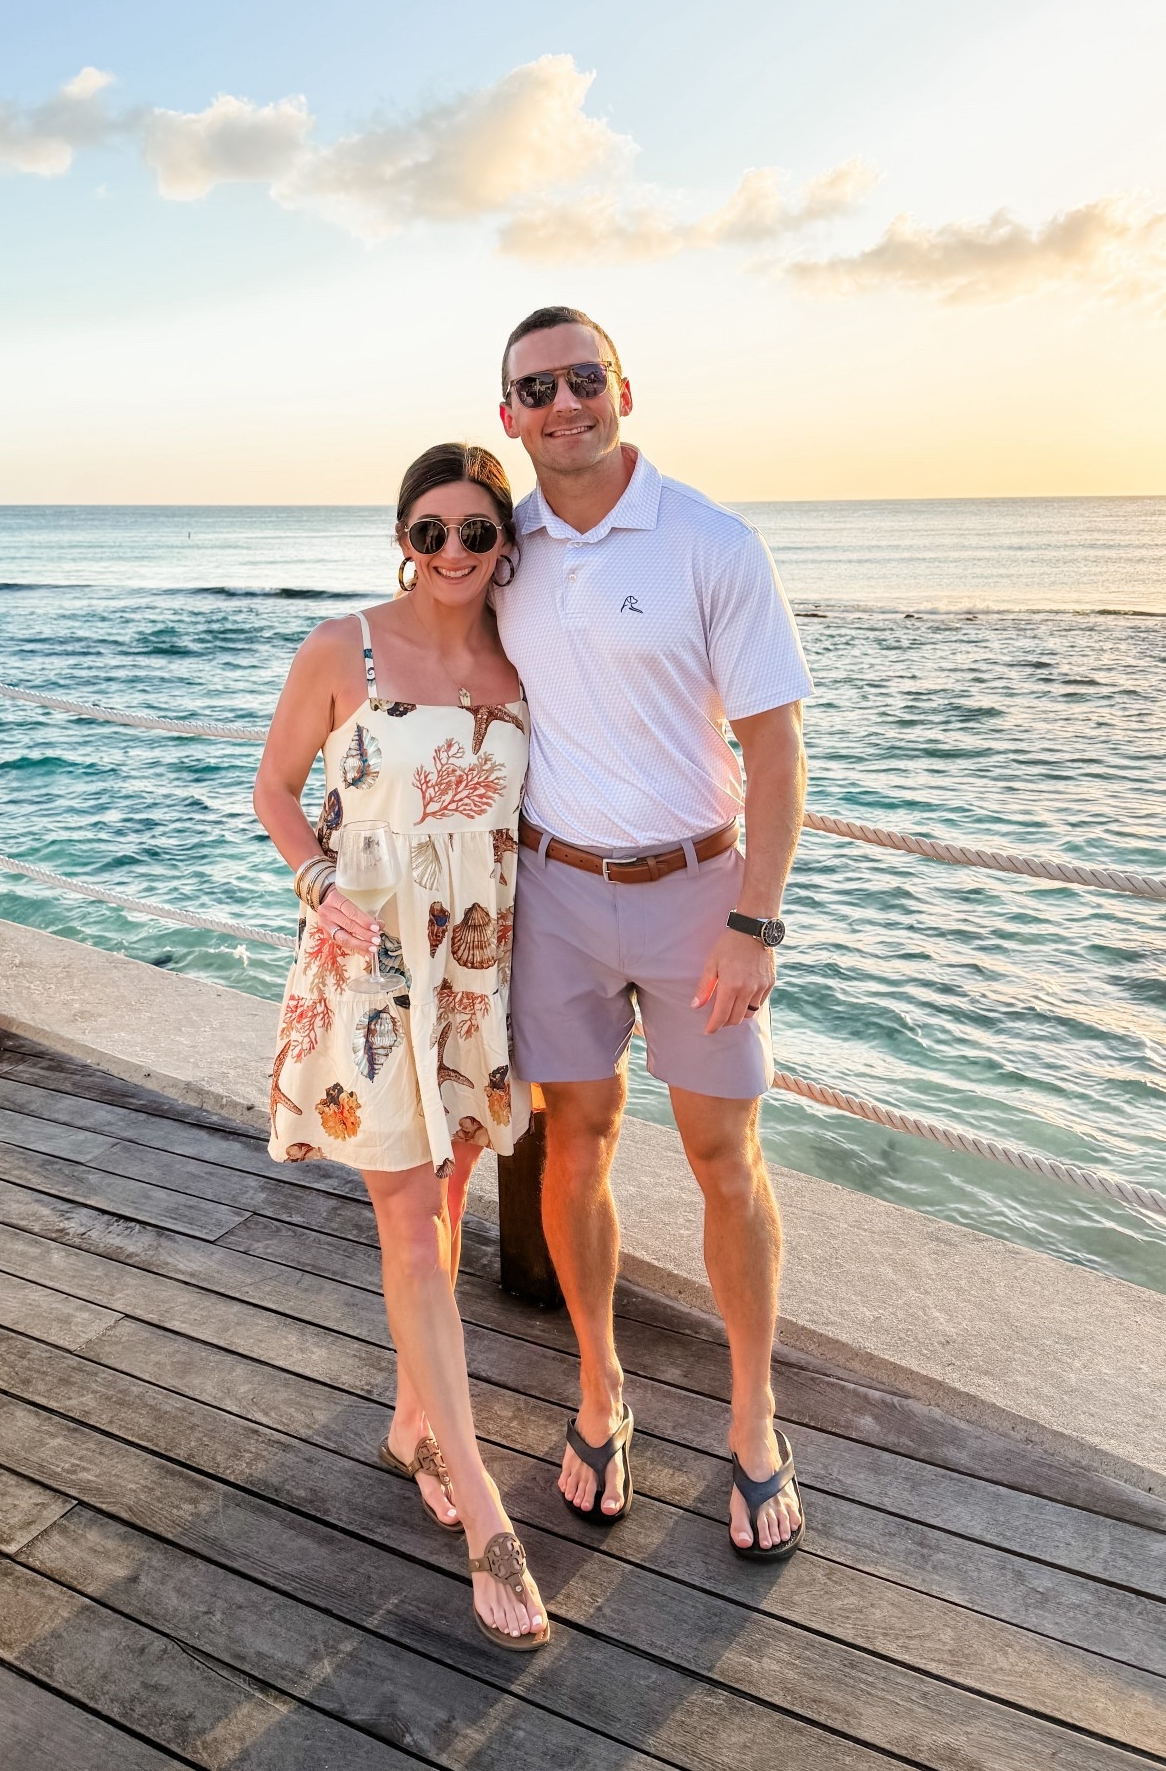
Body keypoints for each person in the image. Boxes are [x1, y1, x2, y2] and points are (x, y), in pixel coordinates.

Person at [494, 307, 813, 1559]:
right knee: (574, 1143)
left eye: (584, 377)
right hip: (553, 892)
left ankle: (752, 1416)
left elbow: (777, 750)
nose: (564, 401)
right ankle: (600, 1390)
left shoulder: (711, 542)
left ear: (626, 387)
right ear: (508, 410)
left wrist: (754, 918)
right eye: (537, 386)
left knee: (723, 1155)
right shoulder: (498, 548)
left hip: (697, 892)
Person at [253, 441, 549, 1648]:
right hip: (374, 972)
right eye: (432, 531)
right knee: (412, 1228)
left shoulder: (523, 662)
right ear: (403, 538)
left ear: (503, 546)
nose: (454, 553)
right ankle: (482, 1506)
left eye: (477, 532)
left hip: (477, 971)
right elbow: (273, 787)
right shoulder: (346, 648)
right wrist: (317, 876)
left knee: (454, 1188)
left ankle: (410, 1423)